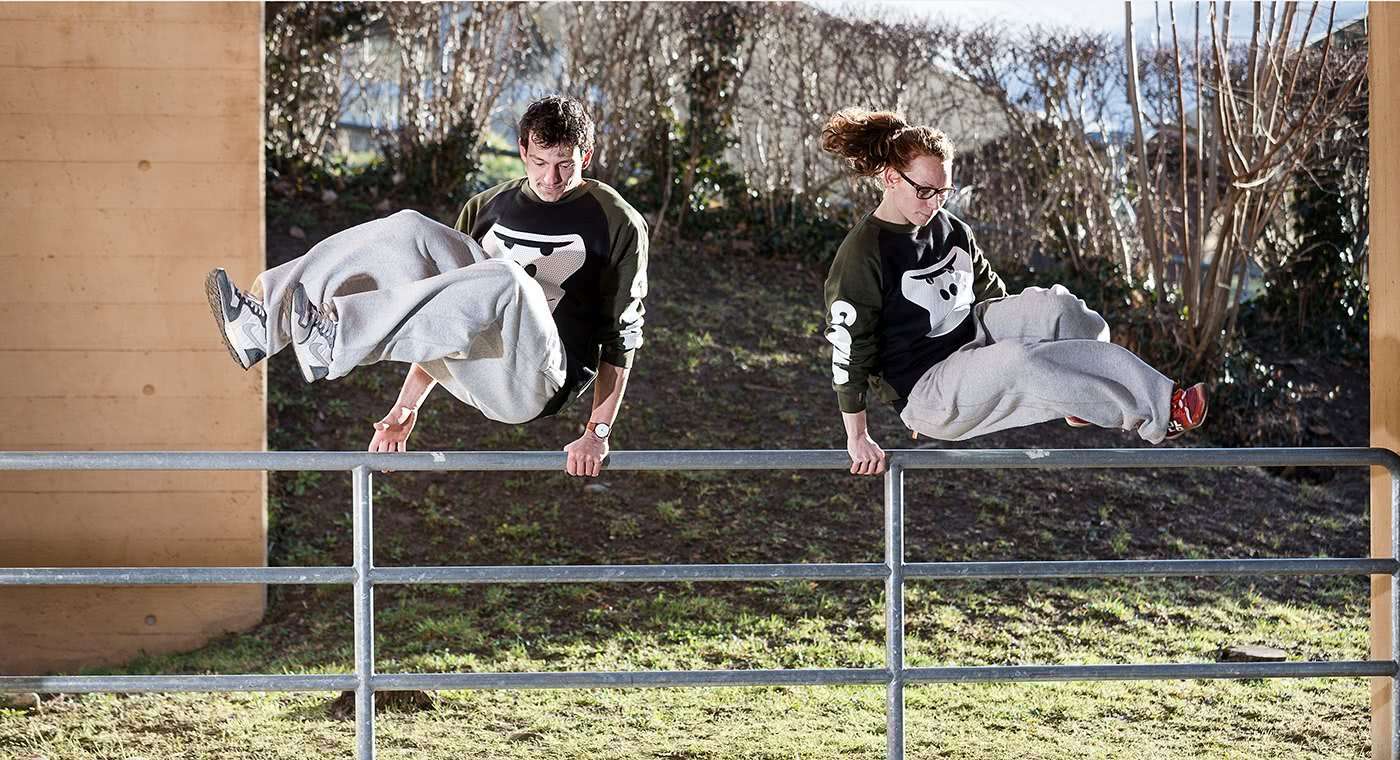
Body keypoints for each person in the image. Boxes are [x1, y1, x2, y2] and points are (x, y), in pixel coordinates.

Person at [204, 96, 648, 478]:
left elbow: (620, 338)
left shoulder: (616, 221)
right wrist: (405, 408)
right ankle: (265, 323)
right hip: (476, 368)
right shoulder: (487, 206)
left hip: (535, 382)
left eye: (564, 165)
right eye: (539, 163)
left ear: (585, 158)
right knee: (410, 228)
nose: (550, 178)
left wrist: (597, 434)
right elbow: (442, 307)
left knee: (510, 280)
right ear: (522, 151)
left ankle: (336, 342)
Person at [819, 107, 1207, 477]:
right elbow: (848, 351)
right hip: (928, 391)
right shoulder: (863, 254)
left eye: (943, 191)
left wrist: (1028, 324)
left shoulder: (952, 229)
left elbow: (991, 293)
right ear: (890, 178)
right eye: (924, 191)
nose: (934, 203)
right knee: (1015, 358)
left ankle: (1077, 398)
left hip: (972, 339)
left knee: (1056, 307)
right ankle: (1162, 412)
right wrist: (857, 437)